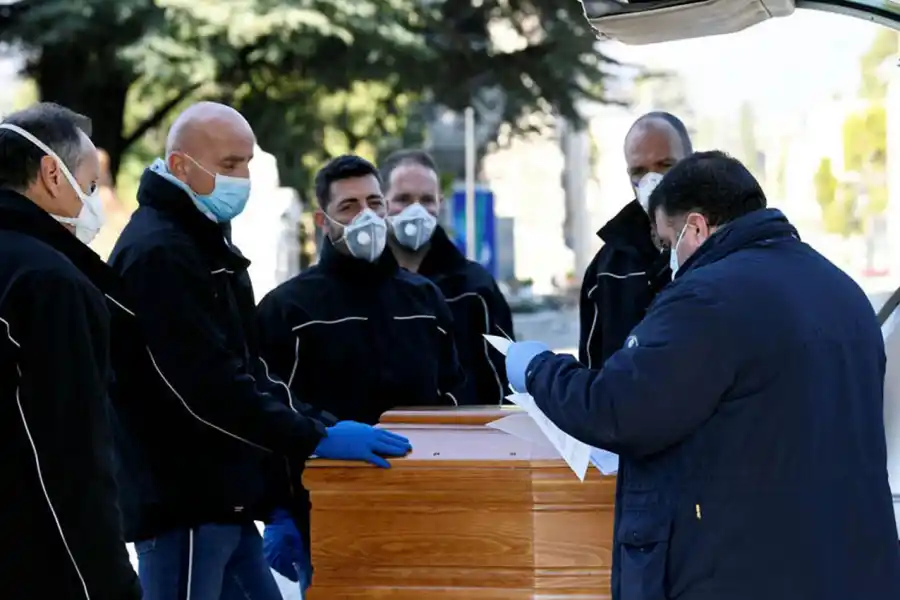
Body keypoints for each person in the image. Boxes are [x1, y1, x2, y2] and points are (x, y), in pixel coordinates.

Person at [506, 151, 900, 599]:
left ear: (695, 228)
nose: (666, 260)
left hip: (744, 572)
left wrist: (537, 368)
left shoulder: (706, 298)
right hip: (850, 568)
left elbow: (618, 408)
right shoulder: (842, 290)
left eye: (665, 242)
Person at [109, 102, 411, 600]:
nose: (242, 179)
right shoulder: (160, 252)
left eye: (246, 163)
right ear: (181, 165)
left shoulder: (203, 240)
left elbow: (249, 369)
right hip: (183, 505)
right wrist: (314, 437)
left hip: (222, 500)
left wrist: (321, 426)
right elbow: (206, 389)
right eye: (229, 165)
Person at [0, 103, 141, 598]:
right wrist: (110, 583)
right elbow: (71, 456)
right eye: (91, 183)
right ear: (52, 174)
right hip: (36, 562)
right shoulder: (49, 282)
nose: (95, 201)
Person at [257, 154, 466, 425]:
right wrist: (323, 434)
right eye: (349, 206)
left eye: (374, 202)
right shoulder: (288, 308)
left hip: (418, 451)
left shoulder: (425, 299)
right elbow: (269, 399)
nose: (366, 215)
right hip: (324, 452)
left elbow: (452, 391)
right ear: (323, 221)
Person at [382, 149, 514, 405]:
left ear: (440, 204)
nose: (416, 211)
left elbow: (502, 380)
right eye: (403, 199)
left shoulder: (475, 288)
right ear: (380, 204)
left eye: (426, 200)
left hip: (460, 428)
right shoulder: (361, 285)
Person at [579, 111, 692, 369]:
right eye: (639, 171)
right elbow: (591, 376)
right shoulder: (607, 270)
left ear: (691, 163)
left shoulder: (722, 251)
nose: (653, 181)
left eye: (665, 165)